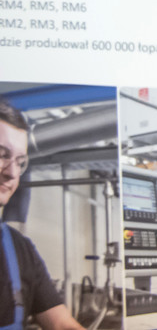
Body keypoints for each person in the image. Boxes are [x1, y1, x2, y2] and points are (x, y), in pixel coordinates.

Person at [0, 99, 86, 330]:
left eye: (20, 162)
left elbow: (60, 323)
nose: (12, 173)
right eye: (1, 154)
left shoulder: (20, 248)